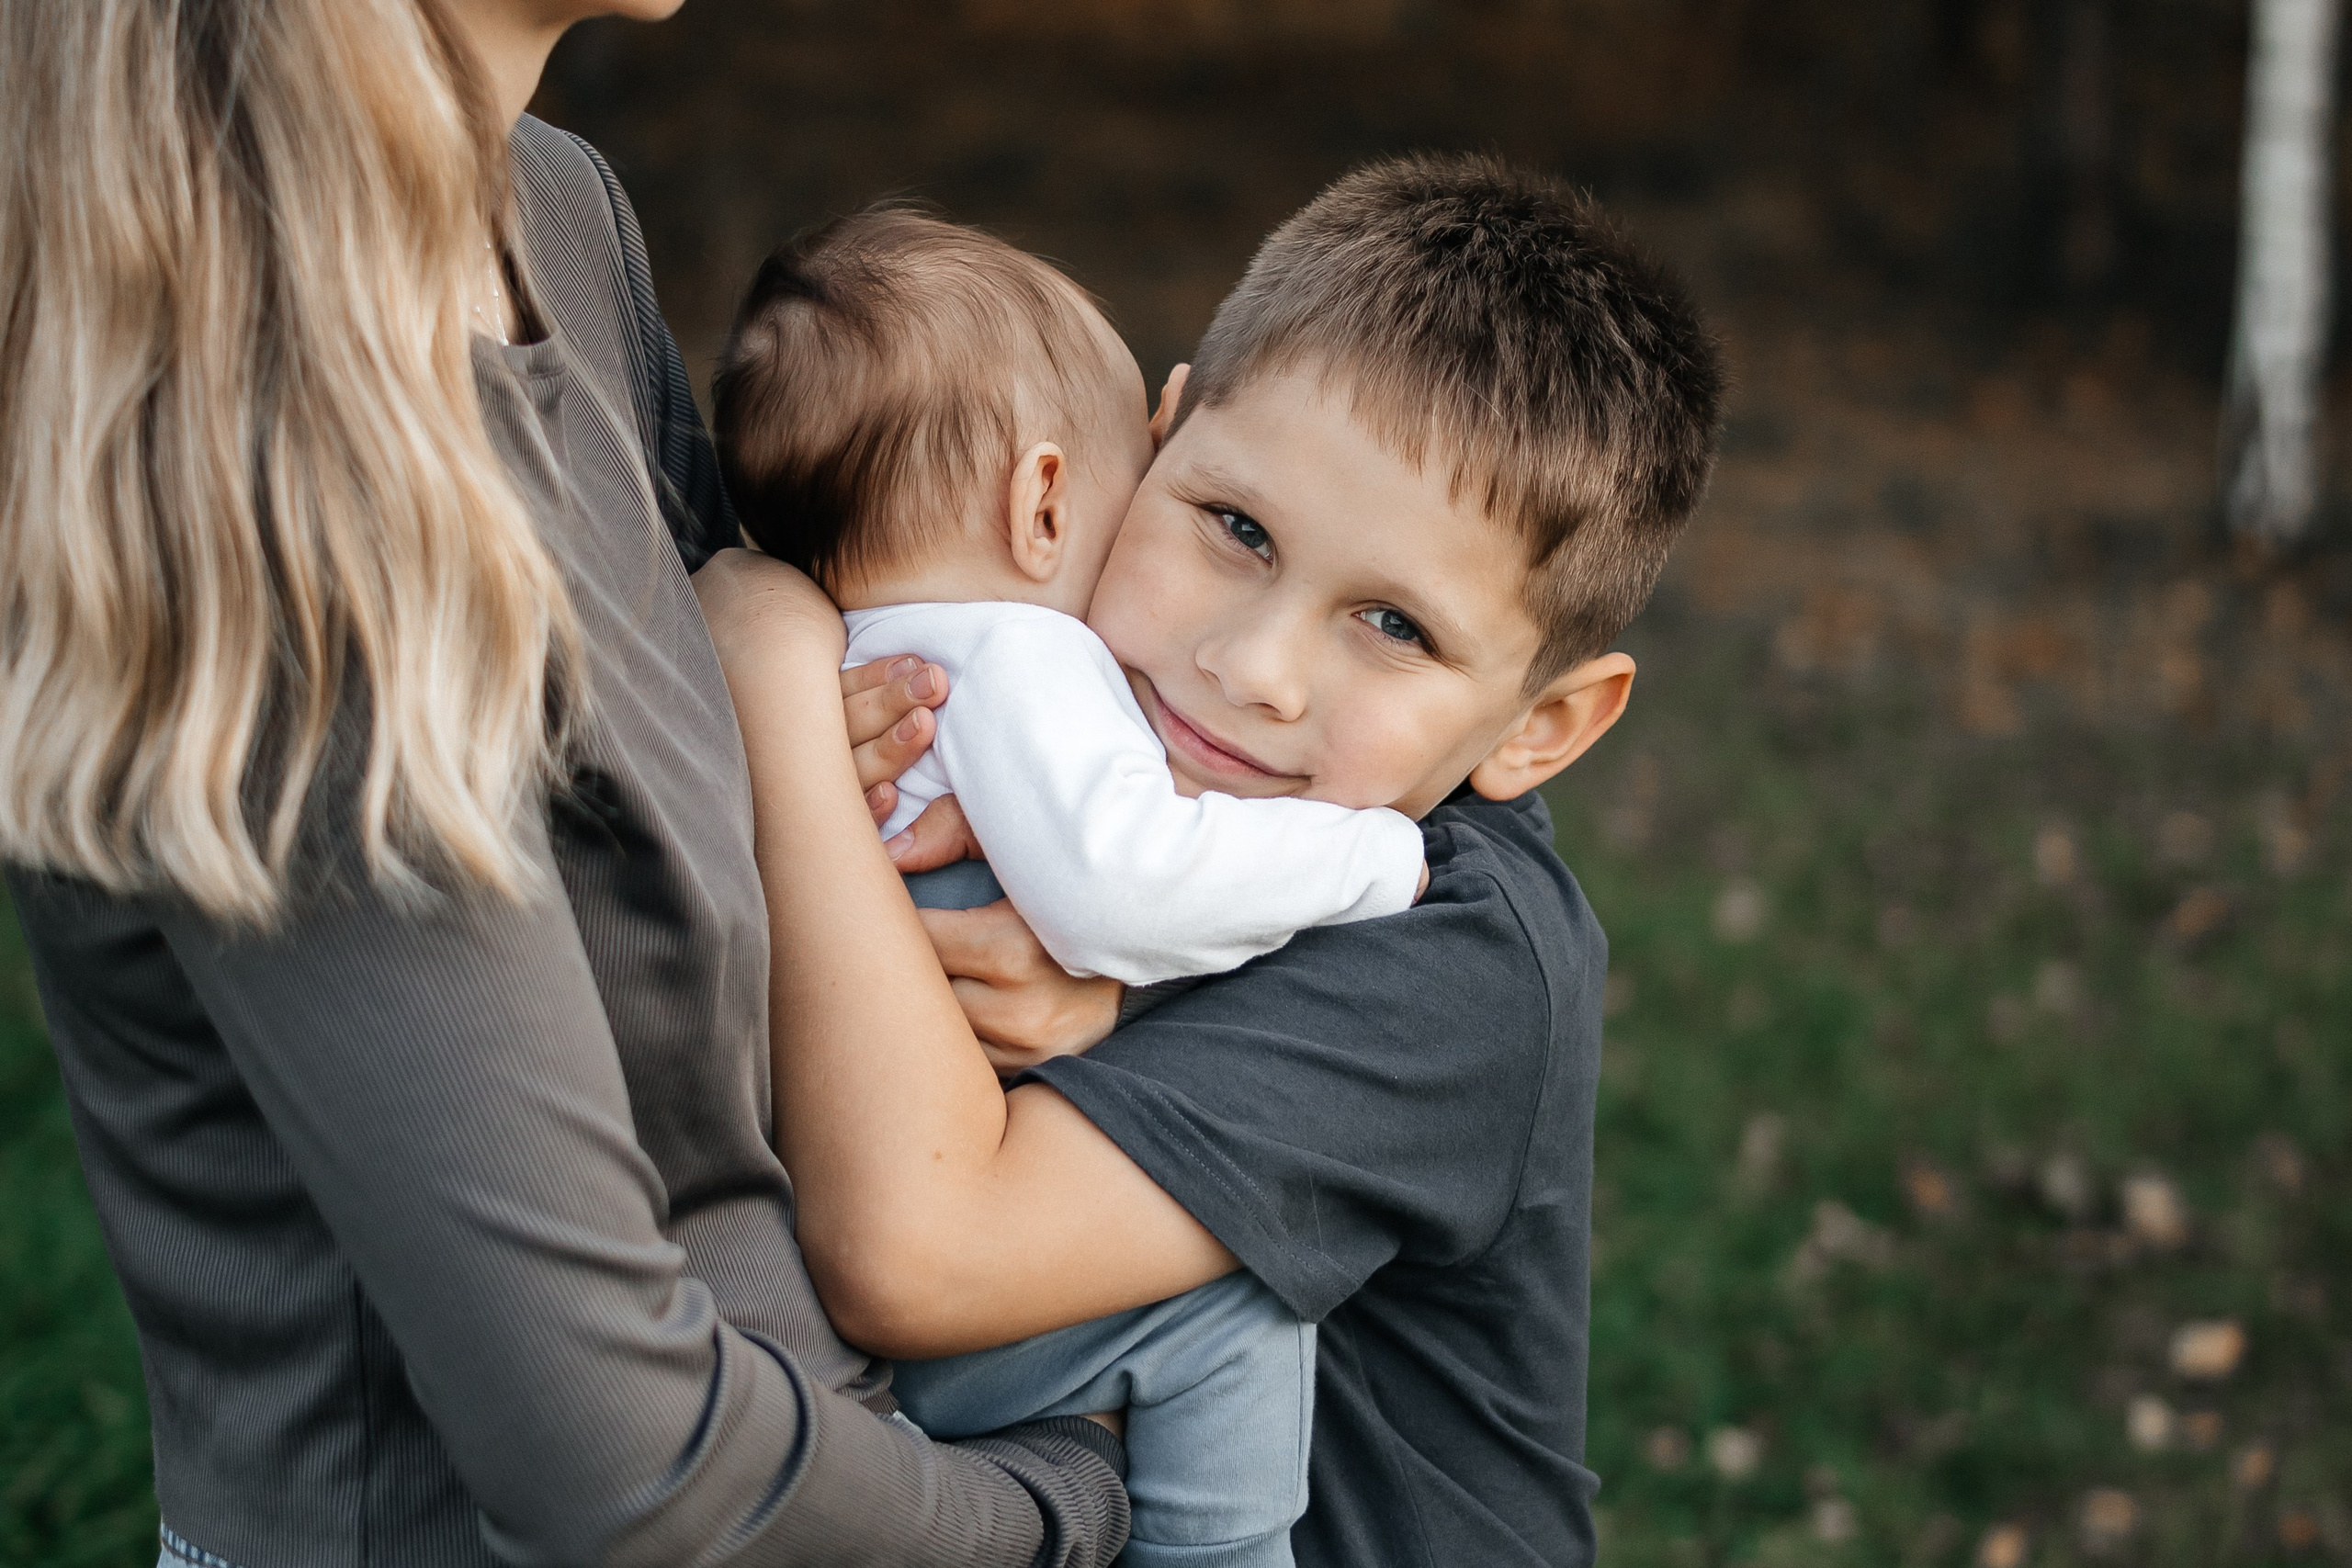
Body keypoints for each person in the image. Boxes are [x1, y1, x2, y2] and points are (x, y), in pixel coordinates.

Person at [0, 3, 1129, 1565]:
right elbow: (620, 1464)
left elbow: (733, 803)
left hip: (832, 1465)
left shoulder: (552, 210)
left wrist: (1027, 931)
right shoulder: (273, 469)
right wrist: (1055, 1507)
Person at [695, 153, 1724, 1568]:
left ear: (1542, 727)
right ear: (1155, 442)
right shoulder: (1052, 731)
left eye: (1395, 628)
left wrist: (768, 669)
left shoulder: (1461, 961)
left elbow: (913, 1251)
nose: (1252, 668)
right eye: (1235, 530)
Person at [709, 209, 1435, 1568]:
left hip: (780, 1263)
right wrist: (1375, 856)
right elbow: (1126, 886)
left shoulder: (860, 652)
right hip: (906, 1278)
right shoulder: (1016, 662)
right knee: (1232, 1311)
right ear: (1044, 501)